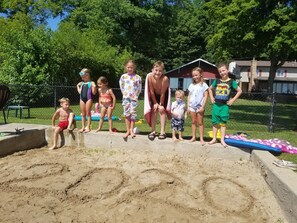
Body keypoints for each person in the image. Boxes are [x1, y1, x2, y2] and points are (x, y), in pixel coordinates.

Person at [208, 63, 242, 147]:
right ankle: (214, 139)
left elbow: (240, 91)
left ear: (227, 70)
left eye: (223, 70)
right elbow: (209, 88)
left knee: (223, 123)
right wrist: (211, 97)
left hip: (224, 106)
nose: (222, 73)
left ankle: (222, 140)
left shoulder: (232, 82)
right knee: (215, 122)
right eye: (220, 71)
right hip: (216, 105)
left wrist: (232, 100)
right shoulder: (217, 81)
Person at [144, 60, 171, 140]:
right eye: (156, 70)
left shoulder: (165, 79)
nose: (157, 72)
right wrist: (155, 103)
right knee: (154, 110)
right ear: (152, 70)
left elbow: (163, 93)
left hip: (163, 95)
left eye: (160, 71)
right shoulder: (149, 76)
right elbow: (151, 91)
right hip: (154, 95)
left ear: (162, 72)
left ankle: (162, 131)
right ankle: (153, 130)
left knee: (162, 110)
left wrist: (160, 104)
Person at [119, 60, 142, 139]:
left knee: (133, 114)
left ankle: (132, 130)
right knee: (127, 114)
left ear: (134, 67)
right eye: (128, 67)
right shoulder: (123, 77)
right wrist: (125, 94)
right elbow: (121, 86)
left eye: (131, 67)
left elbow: (139, 88)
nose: (130, 69)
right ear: (126, 67)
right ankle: (128, 130)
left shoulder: (137, 77)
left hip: (134, 99)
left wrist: (135, 96)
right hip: (126, 98)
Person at [187, 67, 209, 144]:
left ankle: (201, 139)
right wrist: (188, 107)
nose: (195, 77)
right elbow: (189, 96)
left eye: (196, 75)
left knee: (200, 122)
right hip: (192, 106)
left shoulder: (204, 85)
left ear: (201, 75)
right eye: (193, 75)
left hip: (200, 107)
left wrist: (203, 107)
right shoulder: (191, 85)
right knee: (193, 122)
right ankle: (193, 137)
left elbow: (206, 96)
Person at [76, 68, 96, 133]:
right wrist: (77, 86)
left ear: (87, 75)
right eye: (82, 77)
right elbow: (80, 92)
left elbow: (94, 93)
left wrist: (94, 87)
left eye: (83, 77)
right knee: (83, 114)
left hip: (88, 99)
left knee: (88, 113)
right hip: (81, 99)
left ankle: (88, 127)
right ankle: (83, 127)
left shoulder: (91, 83)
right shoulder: (82, 83)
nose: (82, 78)